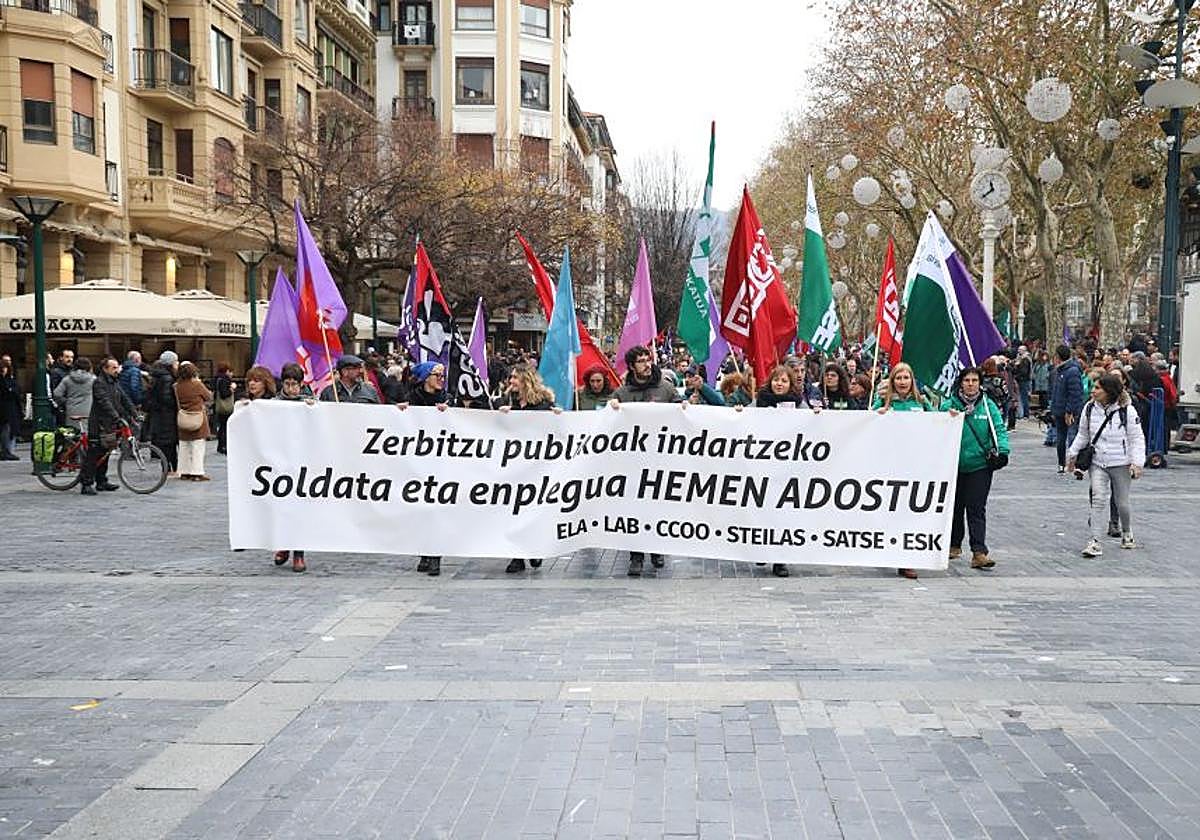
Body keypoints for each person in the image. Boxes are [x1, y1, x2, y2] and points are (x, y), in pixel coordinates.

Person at [611, 346, 680, 576]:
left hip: (661, 461)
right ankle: (636, 556)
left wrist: (685, 408)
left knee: (658, 508)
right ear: (631, 366)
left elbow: (683, 416)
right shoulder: (621, 394)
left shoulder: (666, 390)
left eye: (647, 360)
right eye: (640, 361)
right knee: (634, 510)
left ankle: (657, 548)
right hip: (632, 464)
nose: (646, 364)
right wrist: (611, 410)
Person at [1067, 374, 1145, 556]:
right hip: (1098, 462)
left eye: (1097, 388)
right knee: (1098, 499)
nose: (1093, 391)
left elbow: (1136, 439)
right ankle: (1094, 541)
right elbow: (1083, 434)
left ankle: (1127, 532)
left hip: (1121, 462)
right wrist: (1072, 453)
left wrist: (1137, 462)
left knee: (1122, 502)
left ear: (1109, 391)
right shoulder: (1089, 408)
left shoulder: (1128, 411)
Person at [943, 367, 1009, 570]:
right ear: (960, 383)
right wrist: (947, 416)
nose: (970, 384)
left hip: (979, 464)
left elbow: (998, 428)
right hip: (953, 464)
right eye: (967, 380)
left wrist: (1003, 450)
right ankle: (953, 544)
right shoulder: (949, 405)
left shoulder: (988, 406)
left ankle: (979, 551)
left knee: (976, 508)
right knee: (954, 506)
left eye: (974, 380)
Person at [499, 364, 559, 573]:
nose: (511, 382)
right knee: (513, 511)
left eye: (515, 378)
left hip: (537, 467)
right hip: (514, 467)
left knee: (533, 510)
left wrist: (558, 416)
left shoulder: (543, 403)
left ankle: (534, 549)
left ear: (526, 379)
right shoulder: (507, 401)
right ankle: (517, 556)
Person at [872, 362, 929, 580]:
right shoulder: (882, 402)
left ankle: (907, 559)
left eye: (906, 378)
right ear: (893, 381)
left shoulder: (921, 403)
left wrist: (950, 416)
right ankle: (890, 552)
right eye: (899, 378)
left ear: (911, 380)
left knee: (910, 513)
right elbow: (866, 422)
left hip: (915, 467)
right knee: (890, 512)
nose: (902, 382)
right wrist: (878, 414)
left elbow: (940, 422)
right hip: (889, 466)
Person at [397, 361, 450, 576]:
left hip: (442, 464)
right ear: (425, 377)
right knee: (421, 510)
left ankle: (435, 555)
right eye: (436, 374)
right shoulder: (411, 399)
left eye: (442, 375)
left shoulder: (447, 399)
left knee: (436, 510)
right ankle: (425, 553)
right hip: (418, 465)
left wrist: (450, 412)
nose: (441, 378)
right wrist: (399, 412)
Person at [273, 363, 313, 573]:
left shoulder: (310, 403)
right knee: (280, 507)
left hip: (303, 463)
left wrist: (312, 410)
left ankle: (299, 553)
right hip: (279, 463)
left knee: (299, 509)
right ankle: (282, 545)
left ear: (301, 384)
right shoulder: (273, 404)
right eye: (287, 384)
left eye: (294, 385)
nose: (290, 389)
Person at [81, 356, 134, 496]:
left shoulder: (114, 382)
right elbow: (104, 402)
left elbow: (124, 398)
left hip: (109, 423)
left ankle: (101, 481)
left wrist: (134, 412)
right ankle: (86, 484)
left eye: (117, 367)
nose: (117, 370)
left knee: (105, 452)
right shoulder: (99, 382)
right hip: (99, 423)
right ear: (105, 369)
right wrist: (117, 417)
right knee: (93, 454)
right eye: (114, 368)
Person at [174, 361, 213, 481]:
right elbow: (208, 397)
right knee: (197, 446)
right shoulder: (197, 384)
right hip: (198, 418)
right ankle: (197, 473)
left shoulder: (176, 386)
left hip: (183, 418)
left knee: (184, 446)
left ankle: (184, 471)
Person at [143, 350, 180, 473]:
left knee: (164, 443)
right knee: (170, 443)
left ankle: (166, 467)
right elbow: (166, 398)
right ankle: (172, 468)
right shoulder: (167, 378)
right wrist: (176, 405)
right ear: (170, 363)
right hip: (167, 415)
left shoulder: (156, 375)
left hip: (157, 415)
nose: (177, 364)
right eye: (175, 361)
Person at [1049, 344, 1084, 474]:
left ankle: (1073, 462)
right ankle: (1061, 463)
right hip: (1059, 409)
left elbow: (1075, 393)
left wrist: (1070, 410)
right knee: (1061, 437)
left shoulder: (1072, 371)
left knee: (1072, 436)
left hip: (1069, 411)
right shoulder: (1059, 371)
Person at [52, 357, 95, 433]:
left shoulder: (67, 379)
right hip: (88, 410)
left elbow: (57, 394)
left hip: (71, 410)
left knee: (71, 434)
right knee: (85, 433)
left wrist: (66, 402)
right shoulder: (93, 379)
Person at [0, 355, 22, 460]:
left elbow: (15, 391)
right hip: (5, 408)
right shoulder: (4, 381)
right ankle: (6, 451)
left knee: (8, 430)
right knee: (6, 430)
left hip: (10, 408)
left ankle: (7, 450)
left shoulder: (11, 379)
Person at [212, 362, 235, 454]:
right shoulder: (225, 380)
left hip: (218, 406)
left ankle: (220, 445)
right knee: (226, 426)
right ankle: (224, 446)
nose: (232, 374)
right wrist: (232, 389)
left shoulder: (216, 379)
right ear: (227, 371)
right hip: (226, 407)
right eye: (231, 371)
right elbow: (225, 394)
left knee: (222, 426)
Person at [48, 348, 74, 426]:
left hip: (71, 405)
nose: (70, 359)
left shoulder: (73, 371)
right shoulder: (56, 372)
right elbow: (54, 390)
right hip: (62, 407)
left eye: (72, 357)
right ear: (61, 358)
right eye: (67, 357)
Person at [1013, 347, 1033, 419]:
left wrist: (1016, 375)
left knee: (1024, 397)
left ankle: (1025, 414)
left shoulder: (1025, 359)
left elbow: (1024, 372)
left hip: (1023, 380)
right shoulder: (1020, 358)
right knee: (1021, 397)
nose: (1018, 351)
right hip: (1022, 380)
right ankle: (1022, 413)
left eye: (1020, 350)